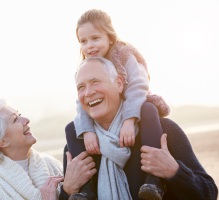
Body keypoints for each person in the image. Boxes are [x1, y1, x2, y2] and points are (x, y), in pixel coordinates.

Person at [62, 57, 218, 200]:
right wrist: (67, 191)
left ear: (119, 83)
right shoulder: (76, 148)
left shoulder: (163, 131)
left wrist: (174, 172)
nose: (88, 92)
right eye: (81, 87)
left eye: (95, 82)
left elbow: (209, 193)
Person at [67, 9, 170, 200]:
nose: (89, 46)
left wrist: (129, 120)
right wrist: (88, 131)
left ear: (110, 36)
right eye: (83, 41)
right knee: (72, 128)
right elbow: (82, 102)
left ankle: (155, 180)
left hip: (135, 104)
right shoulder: (85, 67)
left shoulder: (124, 54)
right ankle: (87, 189)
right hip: (106, 117)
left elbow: (139, 85)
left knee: (148, 109)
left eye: (95, 38)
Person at [0, 99, 97, 200]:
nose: (26, 120)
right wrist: (67, 190)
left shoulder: (50, 163)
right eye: (15, 119)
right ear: (0, 141)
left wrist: (68, 191)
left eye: (20, 115)